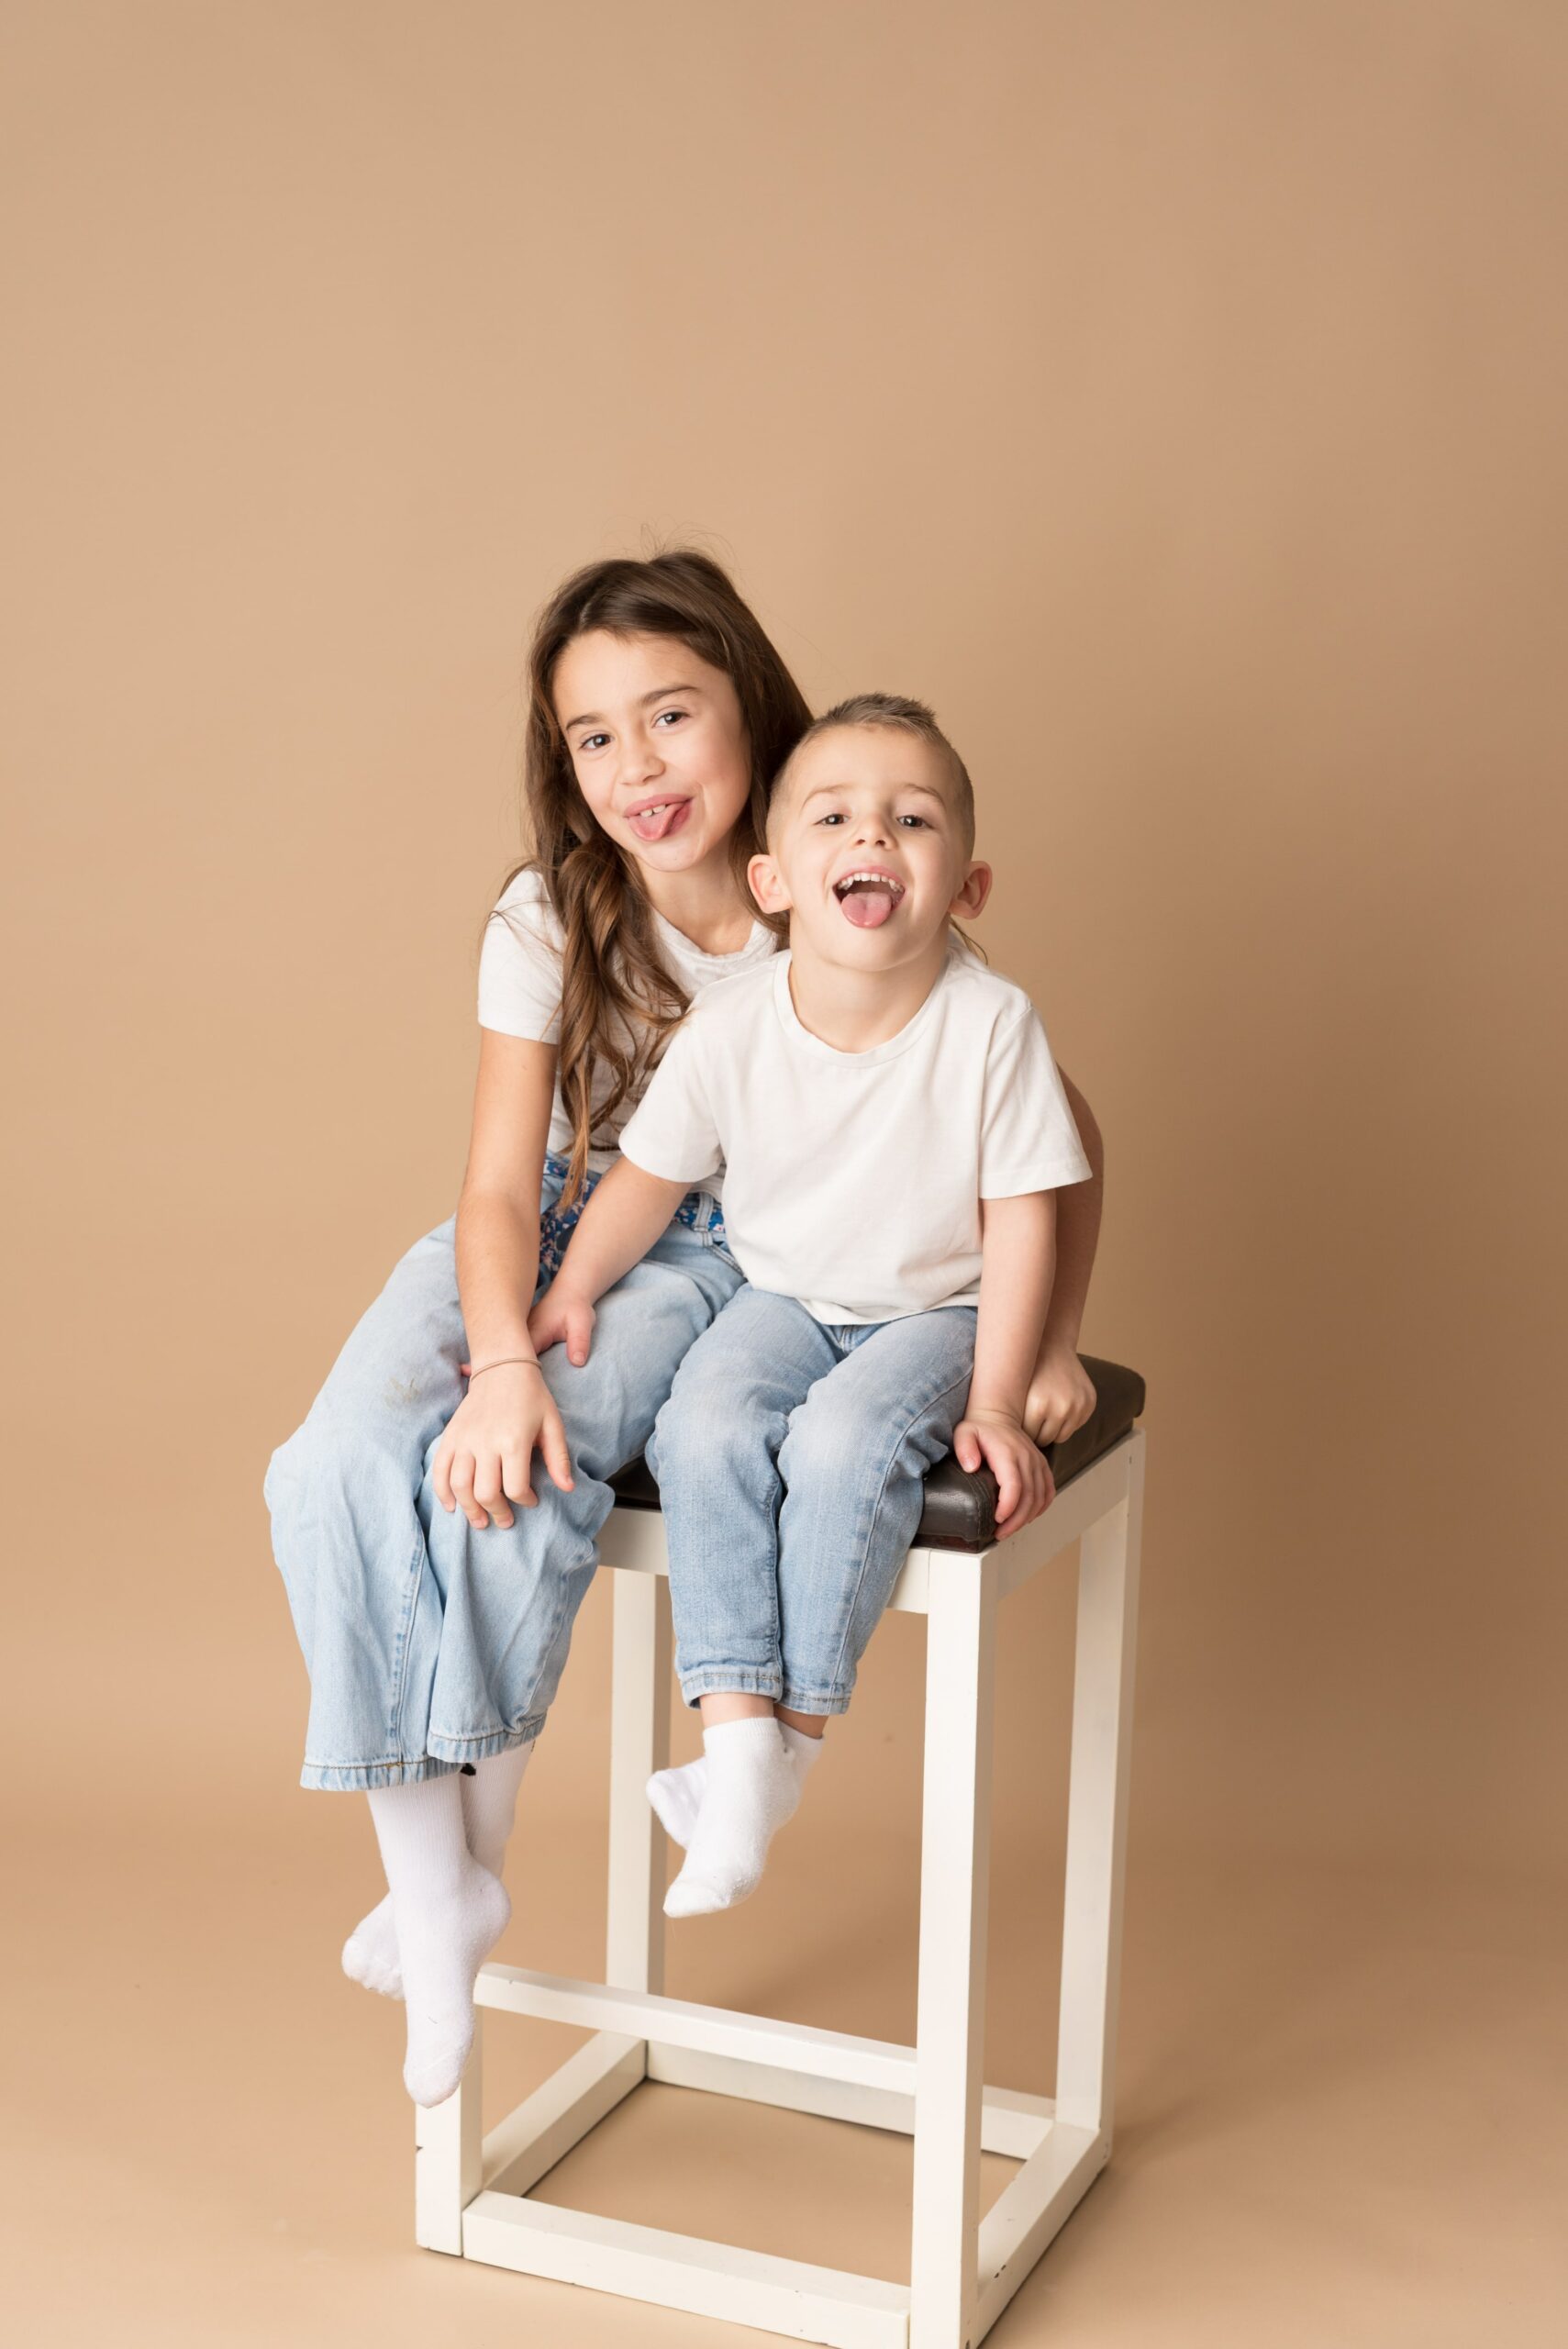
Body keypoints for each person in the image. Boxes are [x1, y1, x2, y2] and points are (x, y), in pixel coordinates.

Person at [264, 554, 1105, 2109]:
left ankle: (476, 1864)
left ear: (753, 718)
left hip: (737, 1256)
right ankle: (431, 1878)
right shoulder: (548, 914)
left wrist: (1050, 1338)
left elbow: (1047, 1143)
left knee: (523, 1473)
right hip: (569, 1225)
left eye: (670, 716)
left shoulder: (853, 896)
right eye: (594, 739)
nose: (636, 767)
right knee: (327, 1468)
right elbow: (499, 1186)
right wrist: (504, 1347)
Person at [527, 693, 1089, 1918]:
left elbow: (1032, 1209)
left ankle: (793, 1747)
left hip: (936, 1311)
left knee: (841, 1447)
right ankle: (738, 1744)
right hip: (784, 1297)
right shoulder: (731, 1028)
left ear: (966, 886)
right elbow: (648, 1180)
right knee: (702, 1429)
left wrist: (1002, 1387)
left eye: (910, 819)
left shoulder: (990, 1026)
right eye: (835, 817)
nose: (871, 839)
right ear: (776, 880)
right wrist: (568, 1288)